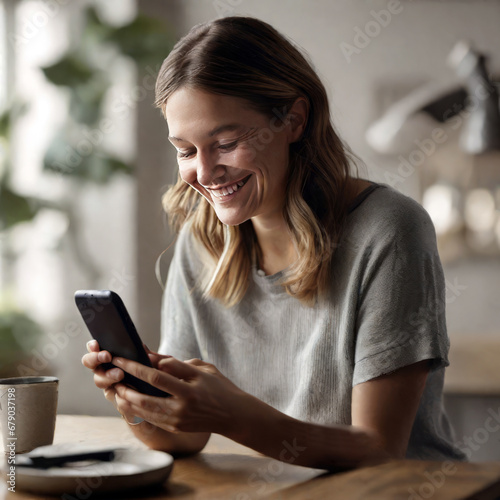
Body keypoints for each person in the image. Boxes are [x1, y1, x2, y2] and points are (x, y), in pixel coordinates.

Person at [82, 16, 466, 469]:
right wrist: (139, 402)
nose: (203, 174)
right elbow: (183, 441)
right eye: (185, 150)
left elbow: (379, 450)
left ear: (294, 120)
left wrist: (235, 417)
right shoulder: (200, 243)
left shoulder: (390, 229)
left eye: (225, 142)